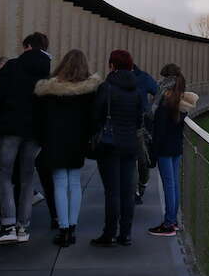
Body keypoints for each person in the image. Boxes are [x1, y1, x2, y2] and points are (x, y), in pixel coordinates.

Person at [0, 33, 51, 246]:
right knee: (27, 177)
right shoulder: (46, 72)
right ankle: (23, 227)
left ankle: (8, 225)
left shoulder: (12, 66)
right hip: (35, 131)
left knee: (4, 174)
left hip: (11, 127)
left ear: (27, 46)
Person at [34, 49, 101, 247]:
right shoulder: (89, 91)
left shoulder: (48, 90)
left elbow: (40, 120)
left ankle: (63, 229)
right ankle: (72, 227)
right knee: (74, 183)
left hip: (54, 141)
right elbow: (93, 119)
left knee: (59, 183)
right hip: (77, 141)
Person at [90, 49, 143, 247]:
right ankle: (126, 234)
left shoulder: (107, 87)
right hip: (130, 145)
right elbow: (140, 119)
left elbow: (96, 116)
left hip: (110, 145)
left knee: (112, 192)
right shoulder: (136, 89)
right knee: (128, 192)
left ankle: (109, 234)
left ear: (112, 66)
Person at [147, 64, 198, 236]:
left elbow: (159, 131)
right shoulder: (181, 102)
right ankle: (173, 221)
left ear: (167, 80)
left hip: (164, 149)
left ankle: (169, 224)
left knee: (169, 184)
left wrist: (153, 154)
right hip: (176, 147)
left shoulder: (165, 102)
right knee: (174, 184)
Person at [131, 64, 158, 204]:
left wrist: (150, 110)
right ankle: (134, 191)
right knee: (133, 159)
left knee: (142, 160)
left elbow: (157, 92)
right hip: (128, 125)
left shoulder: (143, 77)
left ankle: (141, 185)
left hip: (142, 124)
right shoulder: (115, 78)